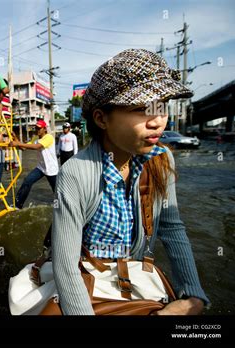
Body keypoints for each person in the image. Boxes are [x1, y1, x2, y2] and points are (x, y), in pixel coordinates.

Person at [52, 49, 209, 315]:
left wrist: (193, 295)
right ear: (102, 119)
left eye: (162, 107)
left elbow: (172, 229)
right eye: (141, 109)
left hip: (134, 276)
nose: (158, 121)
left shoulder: (162, 160)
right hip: (88, 280)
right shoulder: (76, 172)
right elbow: (66, 267)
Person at [10, 120, 58, 209]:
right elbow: (23, 148)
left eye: (39, 128)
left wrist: (17, 143)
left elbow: (37, 147)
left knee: (56, 191)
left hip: (52, 169)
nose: (37, 130)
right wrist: (15, 138)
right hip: (41, 167)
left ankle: (60, 206)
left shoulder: (49, 137)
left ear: (44, 129)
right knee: (27, 181)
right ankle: (17, 205)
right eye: (36, 128)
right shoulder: (35, 139)